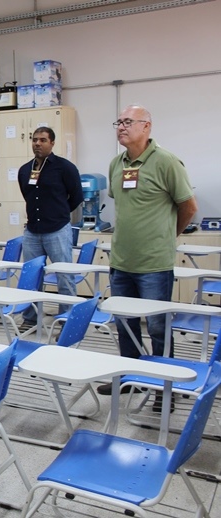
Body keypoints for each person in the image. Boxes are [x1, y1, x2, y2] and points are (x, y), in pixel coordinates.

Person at [97, 105, 197, 397]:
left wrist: (168, 238)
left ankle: (165, 384)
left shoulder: (166, 162)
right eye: (119, 122)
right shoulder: (117, 163)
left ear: (147, 126)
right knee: (125, 324)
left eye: (128, 122)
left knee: (157, 326)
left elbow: (189, 207)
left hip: (154, 263)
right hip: (122, 261)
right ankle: (131, 378)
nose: (121, 127)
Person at [17, 126, 83, 325]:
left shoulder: (65, 167)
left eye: (43, 140)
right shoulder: (25, 170)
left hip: (57, 230)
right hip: (32, 231)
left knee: (65, 278)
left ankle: (66, 319)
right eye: (35, 140)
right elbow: (27, 196)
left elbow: (76, 197)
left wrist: (59, 213)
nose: (37, 143)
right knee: (31, 277)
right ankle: (30, 318)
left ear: (52, 143)